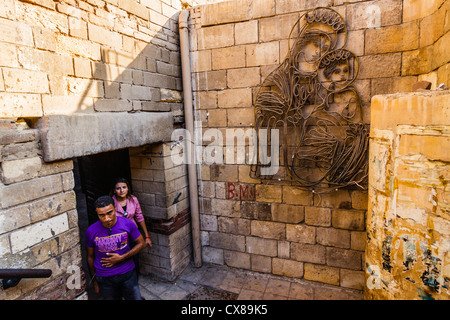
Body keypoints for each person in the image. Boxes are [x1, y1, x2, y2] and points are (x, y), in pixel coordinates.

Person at [85, 195, 145, 300]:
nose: (106, 219)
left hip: (127, 274)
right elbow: (90, 257)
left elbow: (141, 243)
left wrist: (122, 257)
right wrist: (95, 282)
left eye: (109, 213)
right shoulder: (91, 231)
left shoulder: (127, 224)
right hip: (104, 278)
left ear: (115, 208)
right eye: (101, 215)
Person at [111, 177, 152, 249]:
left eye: (124, 187)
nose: (121, 190)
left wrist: (147, 236)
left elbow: (140, 217)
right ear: (114, 190)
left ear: (128, 189)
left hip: (133, 233)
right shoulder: (110, 202)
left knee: (135, 256)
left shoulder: (133, 199)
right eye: (118, 188)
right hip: (118, 236)